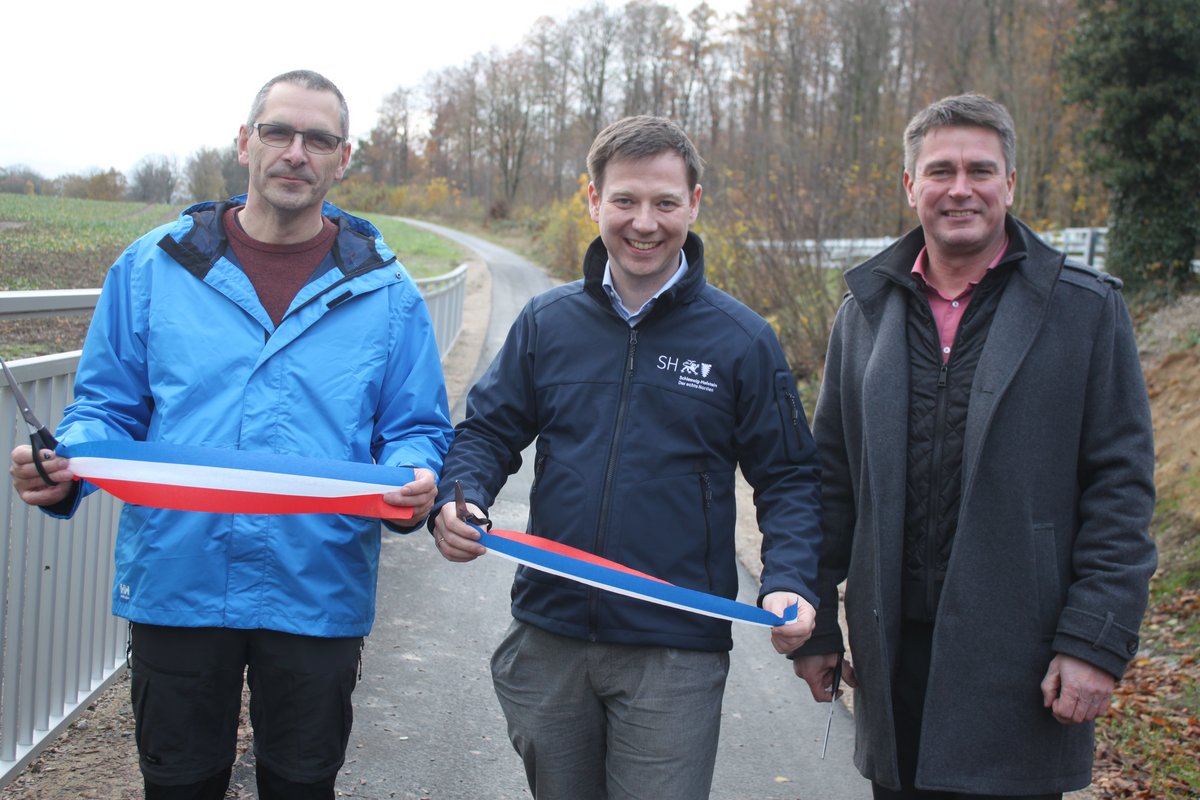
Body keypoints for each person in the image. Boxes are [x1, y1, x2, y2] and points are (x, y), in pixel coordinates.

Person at [8, 70, 453, 800]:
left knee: (302, 784)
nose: (295, 152)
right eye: (278, 131)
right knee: (179, 783)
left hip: (317, 586)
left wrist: (411, 477)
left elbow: (414, 428)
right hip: (179, 579)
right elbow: (105, 408)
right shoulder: (152, 267)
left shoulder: (388, 291)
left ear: (344, 159)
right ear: (246, 142)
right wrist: (69, 464)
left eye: (318, 139)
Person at [429, 115, 823, 800]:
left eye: (665, 203)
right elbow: (488, 431)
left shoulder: (741, 340)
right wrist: (460, 495)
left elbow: (788, 476)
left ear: (694, 204)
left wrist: (788, 576)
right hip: (549, 634)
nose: (645, 222)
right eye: (626, 201)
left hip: (674, 652)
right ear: (593, 200)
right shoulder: (546, 324)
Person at [789, 93, 1157, 799]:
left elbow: (1121, 491)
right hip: (893, 658)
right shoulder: (863, 313)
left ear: (1010, 183)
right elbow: (830, 483)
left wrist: (1094, 643)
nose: (960, 188)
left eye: (981, 170)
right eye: (940, 170)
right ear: (910, 185)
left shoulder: (1084, 310)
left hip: (1022, 664)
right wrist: (814, 630)